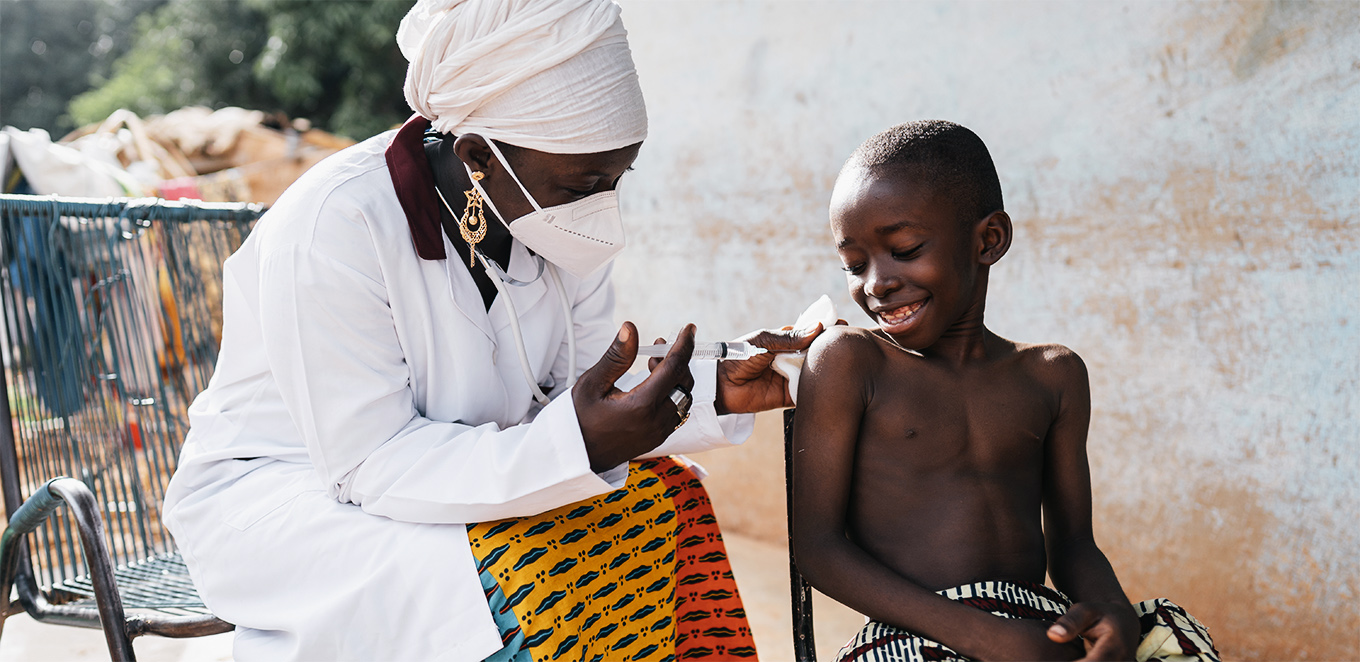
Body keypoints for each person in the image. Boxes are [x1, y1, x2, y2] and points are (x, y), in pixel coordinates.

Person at [162, 1, 819, 660]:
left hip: (455, 473)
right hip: (292, 497)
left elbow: (589, 383)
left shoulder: (552, 219)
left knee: (672, 498)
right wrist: (578, 445)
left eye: (616, 179)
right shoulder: (336, 227)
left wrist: (712, 387)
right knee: (525, 576)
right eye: (582, 184)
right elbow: (372, 463)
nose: (600, 208)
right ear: (477, 157)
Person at [791, 121, 1220, 662]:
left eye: (905, 249)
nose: (875, 282)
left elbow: (1073, 545)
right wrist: (982, 638)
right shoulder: (851, 361)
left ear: (988, 240)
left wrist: (1109, 613)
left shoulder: (1052, 374)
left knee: (1174, 637)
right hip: (914, 635)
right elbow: (819, 549)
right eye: (855, 264)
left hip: (1037, 626)